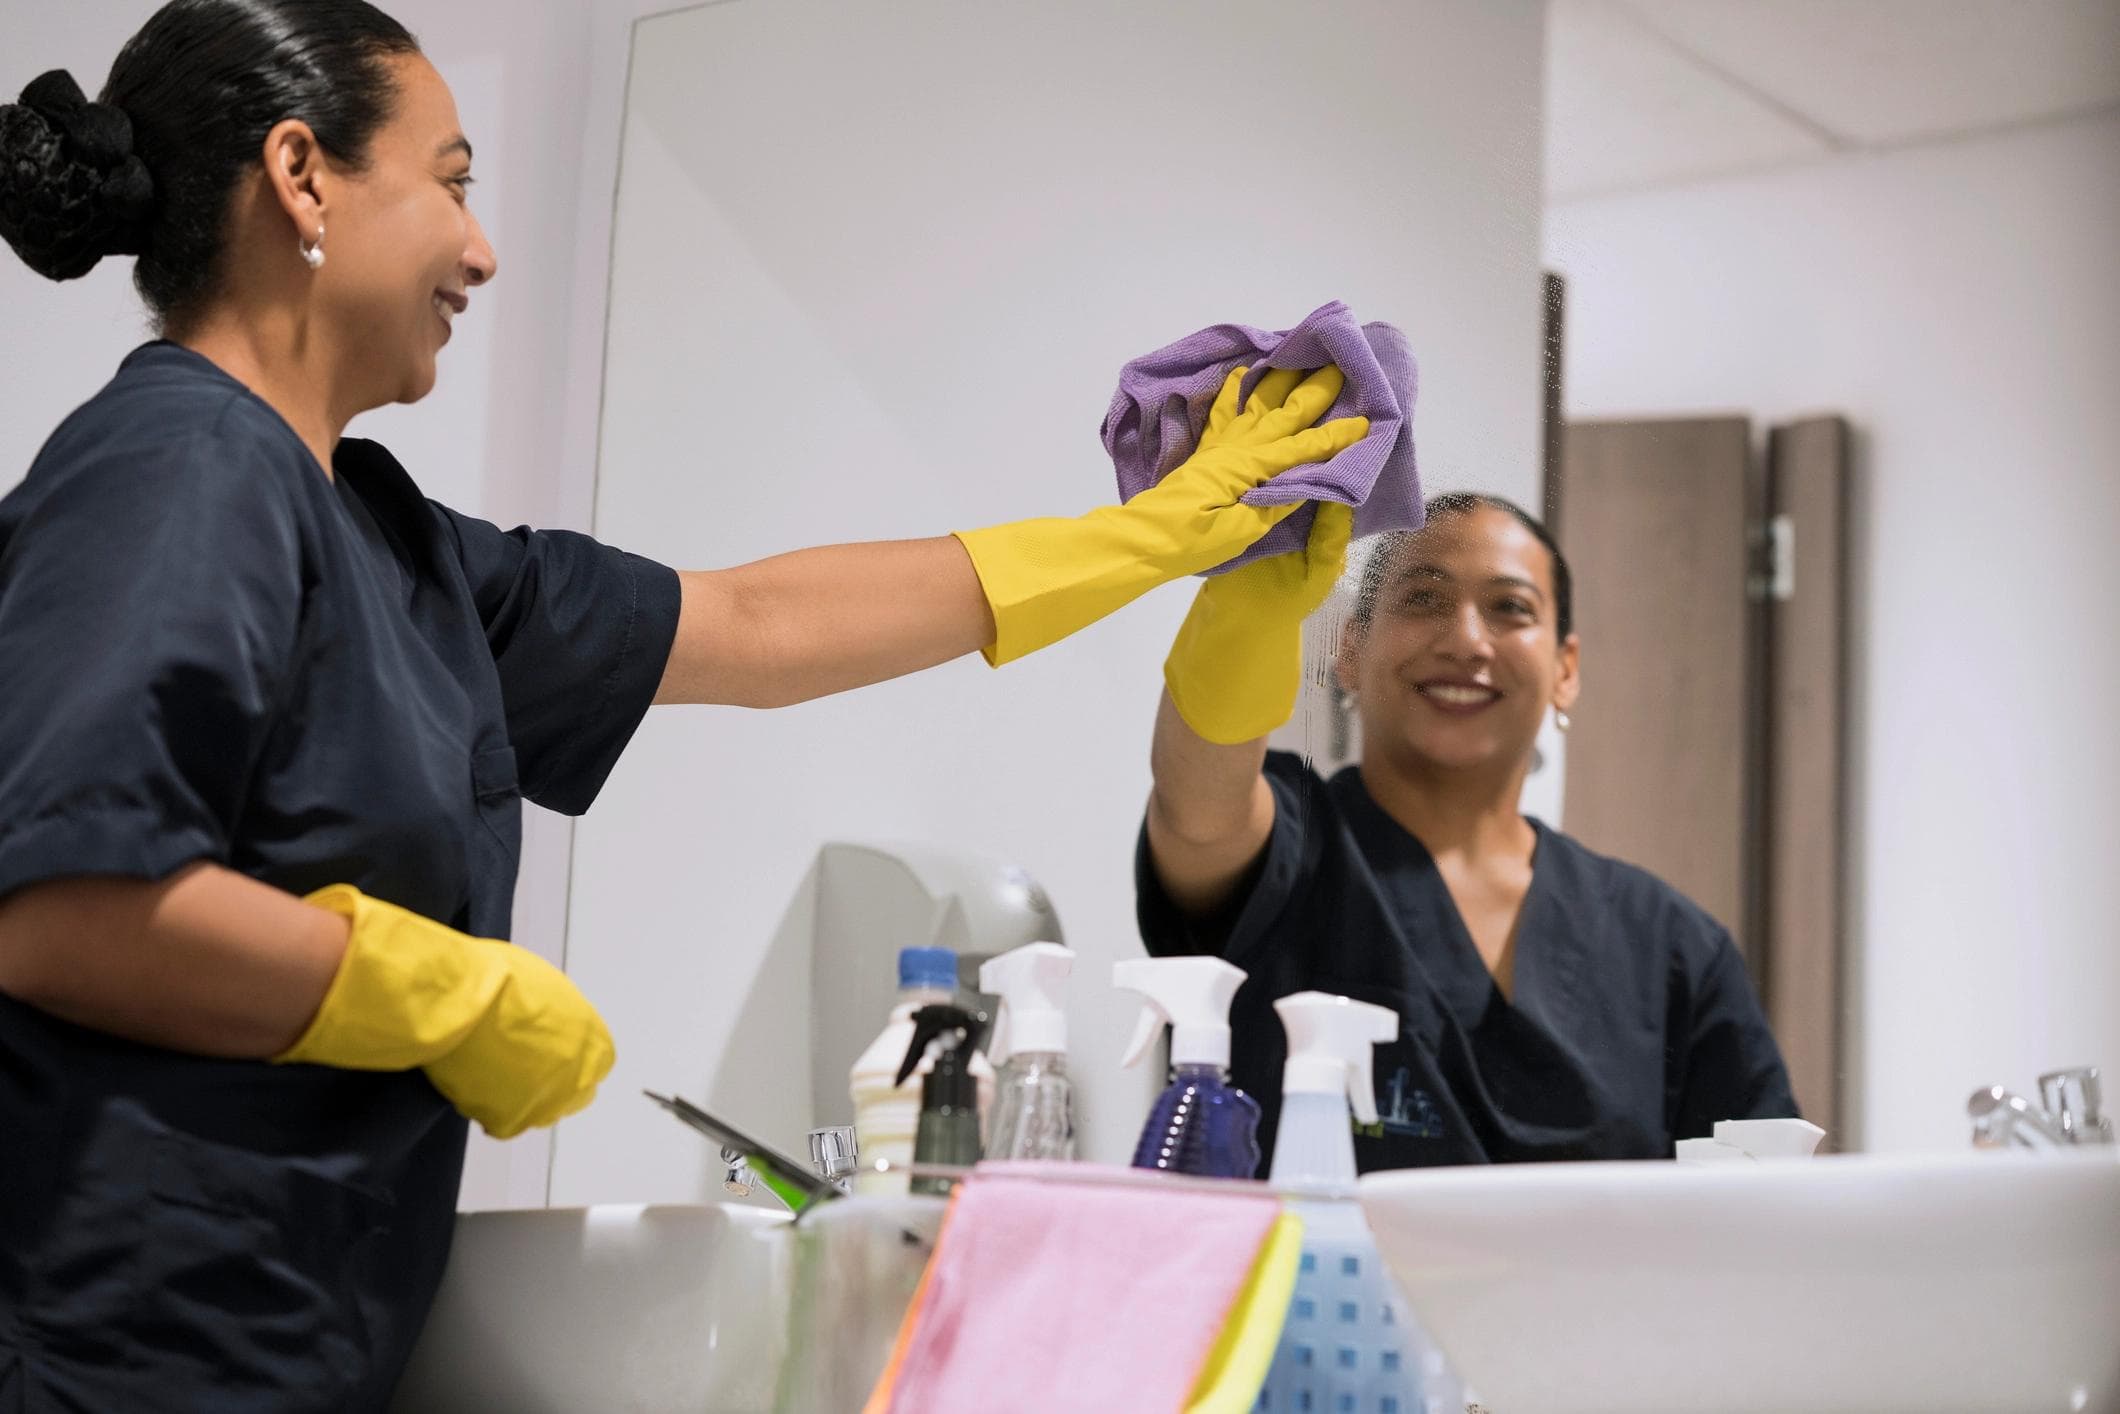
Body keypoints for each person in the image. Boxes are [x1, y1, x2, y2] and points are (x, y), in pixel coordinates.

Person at [0, 3, 1367, 1408]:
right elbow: (60, 906)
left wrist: (1159, 536)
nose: (480, 248)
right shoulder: (175, 464)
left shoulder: (383, 539)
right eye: (453, 182)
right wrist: (429, 988)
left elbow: (753, 626)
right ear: (303, 178)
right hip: (105, 1358)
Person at [1137, 484, 1798, 1177]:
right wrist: (1248, 602)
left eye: (1510, 608)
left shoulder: (1672, 947)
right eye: (1423, 598)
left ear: (1564, 670)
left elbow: (1763, 1204)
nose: (1466, 640)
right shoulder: (1287, 849)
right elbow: (1197, 807)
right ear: (1351, 649)